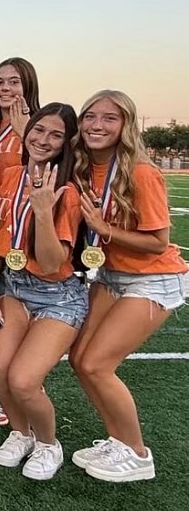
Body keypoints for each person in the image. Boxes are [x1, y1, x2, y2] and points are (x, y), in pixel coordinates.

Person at [67, 91, 189, 482]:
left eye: (109, 118)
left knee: (97, 363)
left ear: (126, 126)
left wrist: (106, 230)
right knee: (79, 360)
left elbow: (157, 241)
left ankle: (137, 454)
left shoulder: (139, 171)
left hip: (152, 278)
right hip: (110, 275)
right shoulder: (85, 166)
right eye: (90, 117)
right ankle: (117, 440)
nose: (96, 125)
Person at [0, 104, 85, 480]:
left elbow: (54, 263)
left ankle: (48, 444)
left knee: (23, 380)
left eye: (55, 135)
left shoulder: (66, 191)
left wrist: (42, 212)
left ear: (66, 142)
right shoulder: (11, 176)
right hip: (14, 287)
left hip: (59, 295)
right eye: (38, 130)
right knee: (1, 372)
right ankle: (20, 433)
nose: (43, 140)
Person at [0, 57, 41, 175]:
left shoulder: (40, 128)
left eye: (14, 82)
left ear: (28, 85)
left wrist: (26, 136)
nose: (5, 88)